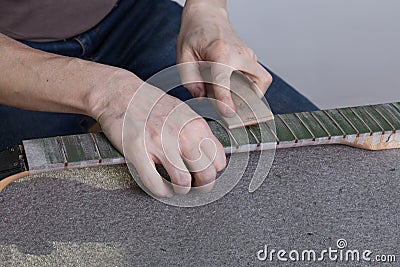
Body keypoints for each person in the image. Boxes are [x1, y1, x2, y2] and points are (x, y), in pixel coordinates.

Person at [0, 0, 317, 197]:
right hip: (12, 55)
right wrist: (109, 93)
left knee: (319, 167)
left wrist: (208, 11)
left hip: (131, 13)